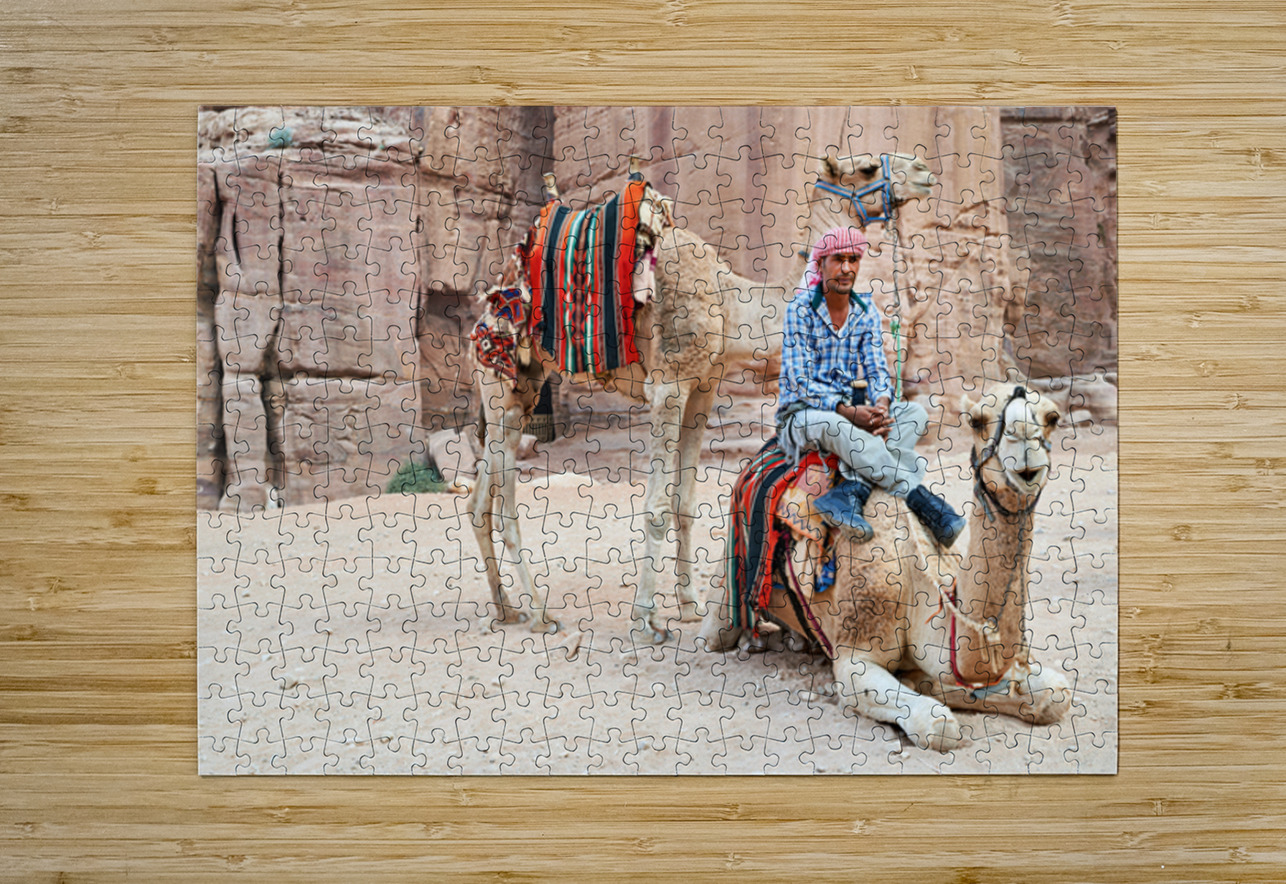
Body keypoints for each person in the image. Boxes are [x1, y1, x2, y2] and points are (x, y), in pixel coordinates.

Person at [777, 226, 965, 547]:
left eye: (853, 259)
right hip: (805, 417)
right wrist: (849, 412)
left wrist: (880, 403)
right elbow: (800, 382)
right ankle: (922, 500)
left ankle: (852, 491)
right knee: (835, 424)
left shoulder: (865, 312)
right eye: (838, 260)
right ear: (821, 264)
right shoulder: (800, 309)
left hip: (855, 413)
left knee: (914, 415)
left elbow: (878, 369)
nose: (847, 268)